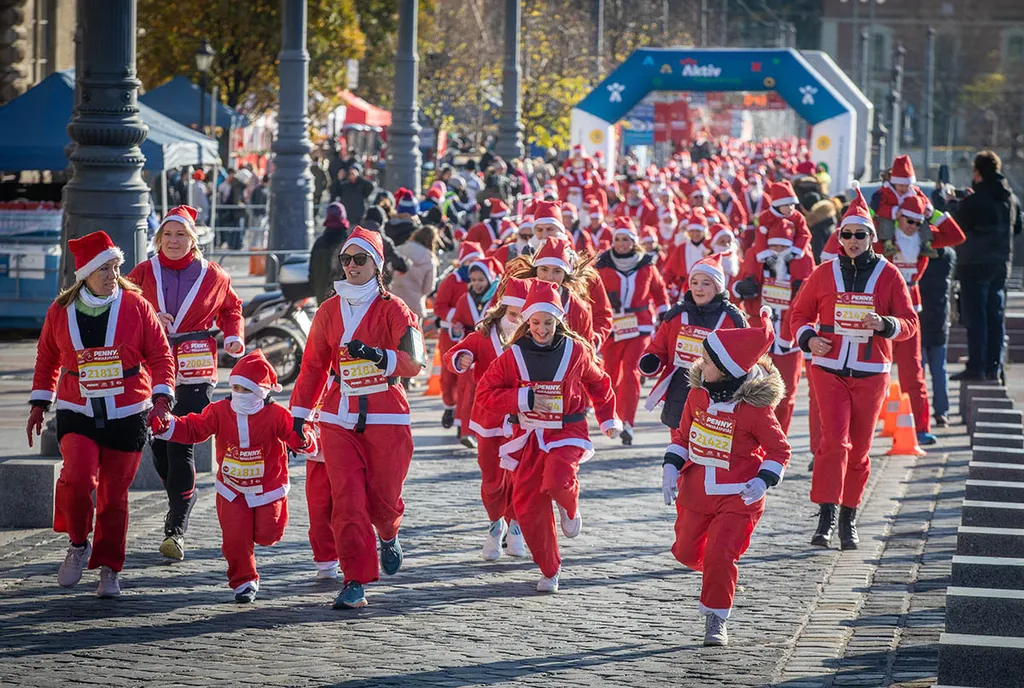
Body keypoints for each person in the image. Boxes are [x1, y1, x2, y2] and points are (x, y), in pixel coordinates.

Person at [28, 230, 175, 597]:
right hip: (76, 407)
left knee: (114, 496)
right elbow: (47, 357)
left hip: (128, 410)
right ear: (85, 274)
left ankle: (110, 568)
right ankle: (78, 543)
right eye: (104, 269)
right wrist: (39, 403)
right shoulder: (60, 310)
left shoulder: (136, 305)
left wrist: (162, 398)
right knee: (77, 479)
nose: (113, 275)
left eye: (116, 267)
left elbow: (160, 355)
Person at [289, 227, 426, 609]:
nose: (351, 266)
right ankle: (355, 581)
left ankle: (389, 533)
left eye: (360, 259)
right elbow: (313, 367)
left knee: (383, 500)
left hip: (386, 415)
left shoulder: (395, 309)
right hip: (338, 416)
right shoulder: (328, 310)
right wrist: (298, 417)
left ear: (377, 265)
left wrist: (380, 357)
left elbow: (415, 363)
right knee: (347, 502)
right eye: (346, 259)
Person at [790, 184, 918, 551]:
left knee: (860, 449)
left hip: (870, 372)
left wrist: (885, 324)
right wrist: (809, 339)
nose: (852, 241)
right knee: (833, 441)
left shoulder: (889, 275)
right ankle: (826, 515)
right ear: (839, 237)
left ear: (872, 238)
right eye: (846, 234)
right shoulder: (824, 272)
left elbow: (909, 323)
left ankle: (849, 515)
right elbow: (799, 314)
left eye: (860, 235)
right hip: (828, 369)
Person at [475, 281, 621, 593]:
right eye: (536, 323)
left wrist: (608, 418)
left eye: (548, 323)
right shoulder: (513, 355)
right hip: (527, 437)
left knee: (558, 480)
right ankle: (550, 569)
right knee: (527, 507)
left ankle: (569, 507)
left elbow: (599, 382)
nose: (542, 330)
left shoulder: (576, 350)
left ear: (559, 322)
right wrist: (523, 399)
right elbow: (485, 393)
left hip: (567, 432)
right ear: (527, 322)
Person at [127, 205, 245, 560]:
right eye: (167, 234)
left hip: (196, 369)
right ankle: (183, 497)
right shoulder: (144, 271)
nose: (173, 241)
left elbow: (231, 308)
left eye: (181, 235)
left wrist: (233, 336)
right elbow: (123, 304)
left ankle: (176, 528)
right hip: (153, 368)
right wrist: (150, 316)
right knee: (159, 448)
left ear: (193, 239)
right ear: (158, 238)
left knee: (181, 443)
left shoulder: (213, 274)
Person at [666, 307, 789, 647]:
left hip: (739, 496)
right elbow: (682, 436)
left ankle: (716, 616)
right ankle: (716, 571)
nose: (699, 364)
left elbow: (779, 450)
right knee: (685, 552)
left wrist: (763, 480)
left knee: (721, 555)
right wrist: (670, 467)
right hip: (696, 493)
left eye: (707, 361)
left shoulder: (755, 410)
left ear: (726, 369)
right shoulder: (697, 394)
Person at [151, 350, 316, 602]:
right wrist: (168, 425)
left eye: (246, 389)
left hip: (268, 488)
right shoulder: (220, 410)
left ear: (261, 391)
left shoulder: (276, 414)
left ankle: (260, 532)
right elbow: (194, 427)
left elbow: (296, 436)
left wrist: (305, 439)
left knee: (269, 533)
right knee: (235, 540)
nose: (239, 394)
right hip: (232, 489)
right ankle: (244, 582)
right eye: (235, 388)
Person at [443, 276, 531, 560]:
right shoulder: (483, 336)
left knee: (519, 476)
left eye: (524, 316)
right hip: (489, 418)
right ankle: (496, 523)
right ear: (503, 311)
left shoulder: (533, 338)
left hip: (522, 419)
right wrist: (461, 358)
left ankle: (515, 525)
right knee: (492, 478)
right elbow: (453, 354)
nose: (517, 321)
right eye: (513, 314)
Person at [640, 253, 747, 464]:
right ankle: (680, 482)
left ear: (718, 287)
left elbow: (746, 356)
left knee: (708, 454)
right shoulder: (676, 315)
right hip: (681, 390)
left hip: (718, 394)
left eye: (706, 283)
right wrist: (651, 360)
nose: (699, 288)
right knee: (679, 450)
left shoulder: (733, 319)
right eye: (695, 282)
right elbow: (659, 347)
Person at [883, 195, 965, 444]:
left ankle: (919, 428)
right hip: (882, 311)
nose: (913, 227)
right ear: (898, 216)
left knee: (913, 370)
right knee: (872, 370)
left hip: (910, 310)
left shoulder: (924, 238)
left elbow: (956, 236)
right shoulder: (884, 236)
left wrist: (932, 213)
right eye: (909, 221)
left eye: (918, 222)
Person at [595, 217, 669, 445]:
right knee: (610, 372)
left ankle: (628, 422)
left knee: (631, 372)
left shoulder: (646, 264)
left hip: (640, 326)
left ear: (634, 242)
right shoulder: (602, 265)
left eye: (626, 239)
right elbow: (591, 294)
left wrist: (664, 313)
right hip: (612, 327)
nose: (621, 243)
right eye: (617, 239)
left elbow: (659, 291)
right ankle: (613, 417)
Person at [951, 150, 1024, 381]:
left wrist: (954, 204)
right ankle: (994, 367)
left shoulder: (975, 200)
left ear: (977, 173)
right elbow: (1018, 228)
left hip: (974, 265)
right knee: (995, 316)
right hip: (1001, 264)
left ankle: (977, 366)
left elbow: (957, 227)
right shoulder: (1010, 199)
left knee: (977, 317)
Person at [449, 257, 504, 447]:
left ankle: (488, 431)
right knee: (467, 394)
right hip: (470, 352)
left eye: (481, 279)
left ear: (490, 278)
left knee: (488, 394)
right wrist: (456, 330)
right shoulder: (464, 299)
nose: (476, 284)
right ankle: (466, 431)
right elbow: (457, 321)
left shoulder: (499, 298)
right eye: (473, 280)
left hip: (492, 352)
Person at [433, 241, 485, 431]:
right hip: (451, 334)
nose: (472, 265)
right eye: (469, 261)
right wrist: (457, 317)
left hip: (475, 334)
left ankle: (464, 419)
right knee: (449, 375)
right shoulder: (452, 280)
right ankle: (449, 406)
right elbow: (439, 307)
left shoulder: (485, 281)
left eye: (477, 261)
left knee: (470, 378)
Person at [919, 246, 956, 427]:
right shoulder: (948, 255)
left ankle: (919, 413)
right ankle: (942, 412)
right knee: (940, 369)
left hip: (919, 318)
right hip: (939, 317)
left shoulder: (916, 255)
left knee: (918, 371)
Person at [390, 224, 441, 325]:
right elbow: (428, 288)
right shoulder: (430, 260)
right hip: (415, 304)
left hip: (394, 299)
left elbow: (388, 271)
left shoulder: (400, 250)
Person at [309, 202, 351, 305]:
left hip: (322, 295)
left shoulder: (319, 243)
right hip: (345, 297)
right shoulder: (349, 244)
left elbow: (312, 271)